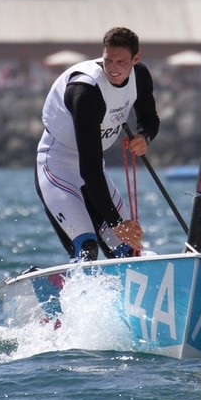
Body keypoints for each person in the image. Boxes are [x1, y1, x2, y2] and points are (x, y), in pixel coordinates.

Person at [35, 27, 160, 261]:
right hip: (57, 167)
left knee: (128, 251)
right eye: (108, 60)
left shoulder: (140, 76)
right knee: (87, 250)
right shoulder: (86, 92)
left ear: (135, 59)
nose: (112, 68)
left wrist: (144, 137)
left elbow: (150, 119)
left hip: (93, 170)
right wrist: (116, 223)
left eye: (121, 62)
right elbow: (89, 170)